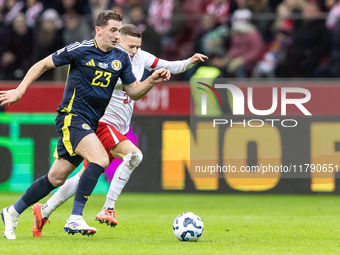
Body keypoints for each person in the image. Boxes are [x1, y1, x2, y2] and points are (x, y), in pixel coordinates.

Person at [0, 10, 171, 240]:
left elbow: (134, 92)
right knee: (100, 159)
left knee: (56, 178)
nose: (116, 36)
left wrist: (151, 80)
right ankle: (75, 217)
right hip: (72, 116)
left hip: (89, 123)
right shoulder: (80, 50)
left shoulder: (120, 58)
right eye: (112, 30)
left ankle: (12, 212)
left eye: (119, 31)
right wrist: (20, 90)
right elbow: (42, 64)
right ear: (98, 30)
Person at [31, 24, 208, 237]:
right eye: (130, 46)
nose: (134, 51)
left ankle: (44, 210)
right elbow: (119, 85)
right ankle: (108, 207)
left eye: (137, 46)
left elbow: (170, 65)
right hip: (102, 123)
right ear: (118, 40)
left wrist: (190, 61)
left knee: (83, 176)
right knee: (134, 155)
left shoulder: (140, 57)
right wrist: (147, 80)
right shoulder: (109, 60)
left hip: (117, 127)